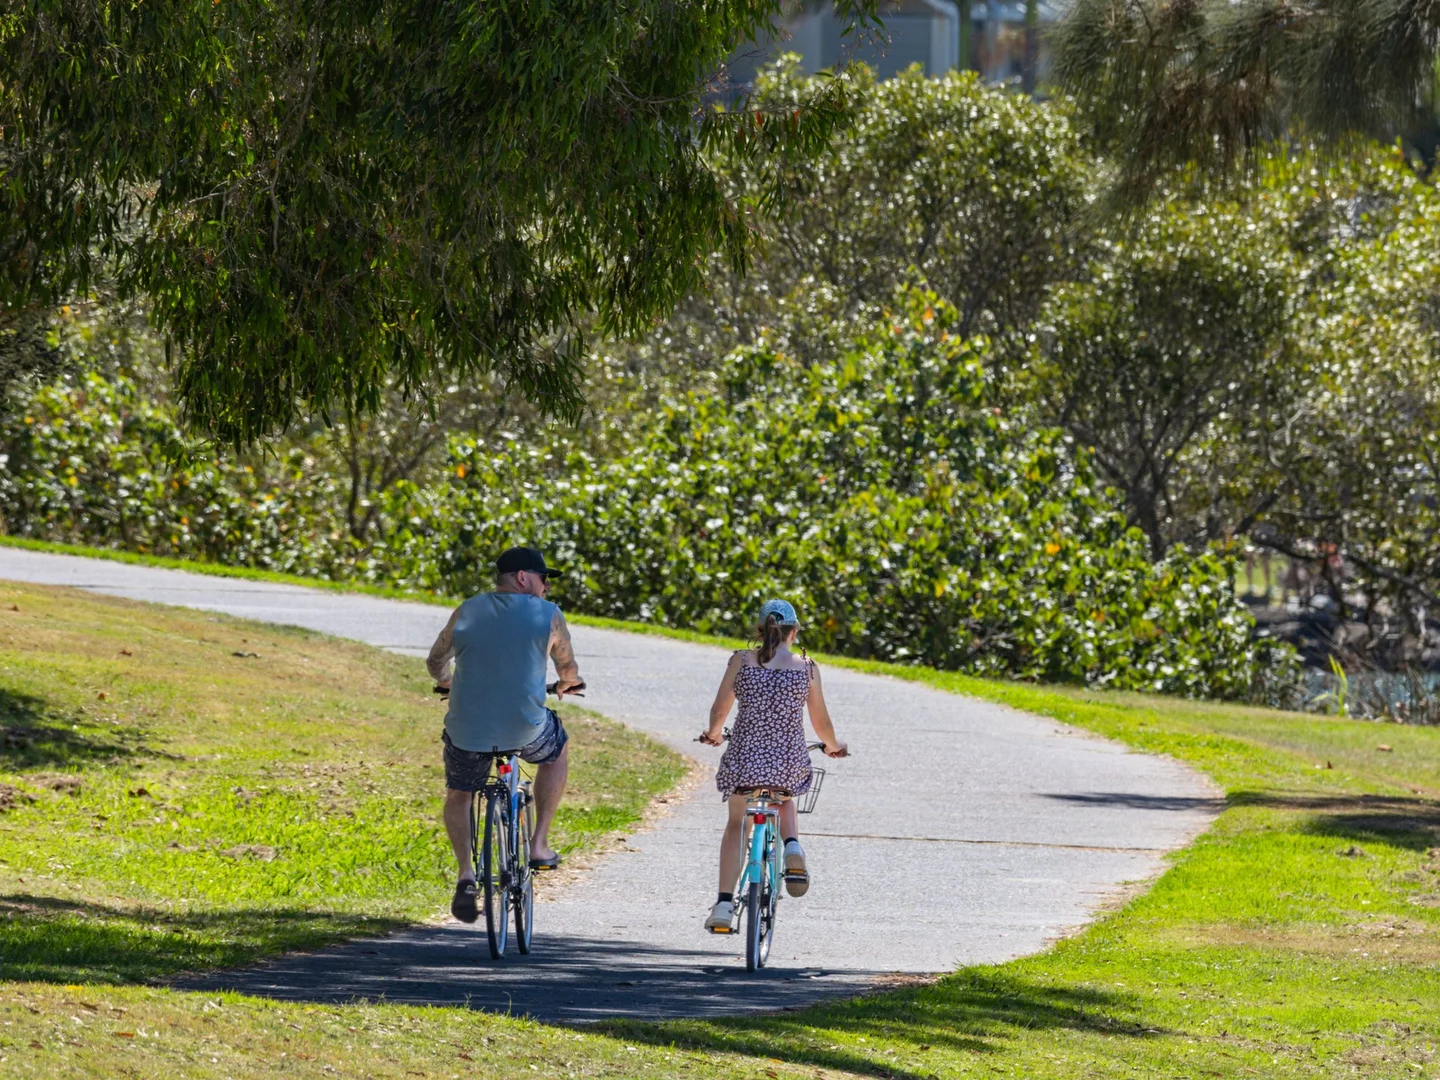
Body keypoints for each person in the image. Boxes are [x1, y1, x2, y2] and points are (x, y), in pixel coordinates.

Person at [427, 546, 584, 924]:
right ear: (522, 578)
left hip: (468, 731)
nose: (546, 589)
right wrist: (566, 684)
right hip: (525, 728)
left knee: (460, 792)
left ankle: (466, 875)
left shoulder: (466, 609)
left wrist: (448, 683)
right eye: (544, 580)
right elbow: (567, 668)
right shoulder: (549, 615)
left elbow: (435, 662)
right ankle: (539, 844)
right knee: (556, 750)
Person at [697, 598, 848, 933]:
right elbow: (821, 722)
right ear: (793, 632)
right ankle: (792, 845)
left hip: (745, 758)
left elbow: (719, 711)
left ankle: (723, 903)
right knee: (784, 799)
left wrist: (712, 735)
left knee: (738, 819)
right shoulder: (806, 667)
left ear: (759, 630)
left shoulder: (741, 661)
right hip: (788, 760)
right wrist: (835, 747)